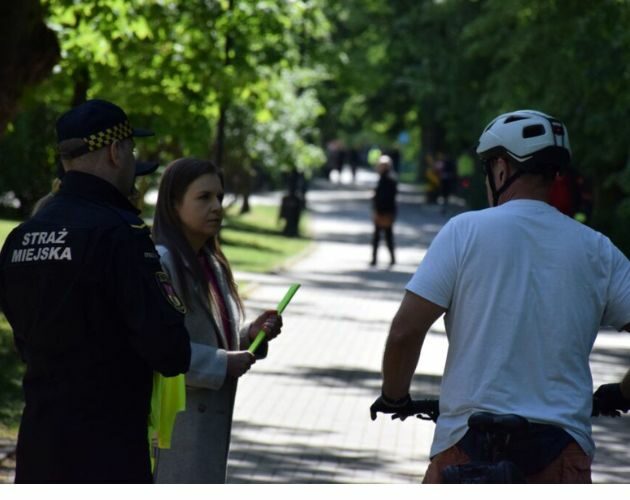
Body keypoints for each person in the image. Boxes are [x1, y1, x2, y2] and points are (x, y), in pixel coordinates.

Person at [370, 110, 630, 483]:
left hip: (466, 447)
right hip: (560, 455)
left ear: (502, 168)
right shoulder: (598, 249)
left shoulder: (463, 233)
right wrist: (620, 394)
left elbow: (405, 332)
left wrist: (395, 396)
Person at [0, 99, 191, 483]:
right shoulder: (121, 235)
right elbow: (171, 351)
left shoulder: (21, 237)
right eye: (132, 149)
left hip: (39, 445)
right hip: (106, 450)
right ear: (115, 152)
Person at [151, 157, 283, 483]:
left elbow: (210, 337)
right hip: (176, 429)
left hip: (208, 426)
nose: (217, 207)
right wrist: (223, 363)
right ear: (173, 204)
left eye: (220, 197)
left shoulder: (212, 263)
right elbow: (161, 349)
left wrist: (250, 334)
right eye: (204, 197)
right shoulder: (162, 264)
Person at [371, 154, 397, 266]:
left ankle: (392, 259)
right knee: (377, 237)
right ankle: (374, 259)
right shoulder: (380, 179)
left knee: (388, 237)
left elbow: (389, 198)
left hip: (387, 212)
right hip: (379, 212)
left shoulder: (390, 180)